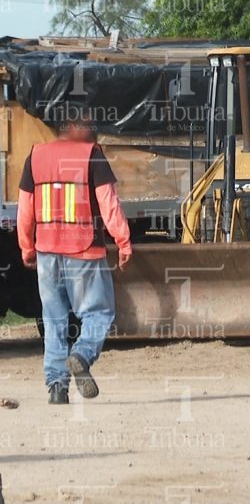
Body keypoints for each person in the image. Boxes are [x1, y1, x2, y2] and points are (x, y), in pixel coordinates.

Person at [16, 112, 131, 405]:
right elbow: (109, 204)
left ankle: (57, 387)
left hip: (47, 251)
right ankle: (81, 354)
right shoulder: (92, 155)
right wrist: (123, 241)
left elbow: (25, 209)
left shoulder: (36, 156)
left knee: (54, 320)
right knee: (99, 313)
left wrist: (27, 247)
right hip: (84, 250)